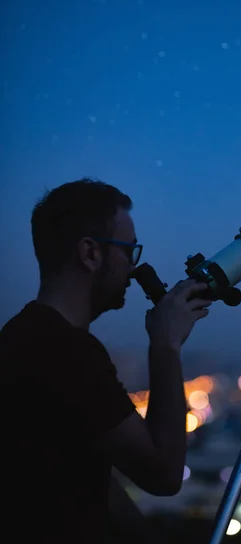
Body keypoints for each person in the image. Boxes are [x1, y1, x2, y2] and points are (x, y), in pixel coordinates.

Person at [0, 178, 213, 543]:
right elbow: (163, 476)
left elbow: (93, 481)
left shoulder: (23, 336)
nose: (133, 268)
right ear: (90, 254)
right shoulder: (66, 353)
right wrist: (166, 347)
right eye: (128, 250)